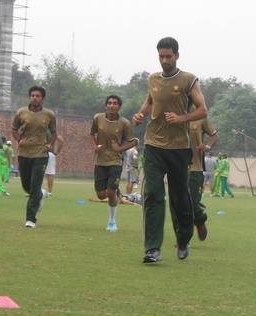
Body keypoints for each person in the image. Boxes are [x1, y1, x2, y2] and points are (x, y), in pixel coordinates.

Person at [132, 36, 208, 263]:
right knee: (152, 194)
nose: (164, 60)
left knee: (180, 198)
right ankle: (152, 249)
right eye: (161, 56)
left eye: (168, 56)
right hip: (154, 145)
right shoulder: (153, 79)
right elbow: (151, 101)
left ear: (177, 56)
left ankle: (183, 239)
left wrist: (181, 118)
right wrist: (140, 114)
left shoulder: (188, 80)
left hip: (179, 148)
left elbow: (202, 110)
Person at [12, 85, 57, 228]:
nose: (34, 98)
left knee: (35, 184)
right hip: (24, 154)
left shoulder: (49, 115)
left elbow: (54, 133)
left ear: (43, 99)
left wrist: (50, 144)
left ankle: (30, 219)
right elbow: (14, 130)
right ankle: (40, 194)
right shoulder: (21, 112)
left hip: (41, 155)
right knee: (27, 187)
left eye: (38, 96)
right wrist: (20, 140)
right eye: (32, 95)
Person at [90, 94, 136, 232]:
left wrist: (119, 149)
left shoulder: (124, 123)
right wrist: (94, 146)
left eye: (115, 103)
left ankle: (112, 222)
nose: (112, 105)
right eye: (109, 103)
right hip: (100, 161)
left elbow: (132, 142)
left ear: (119, 107)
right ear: (106, 106)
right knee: (101, 194)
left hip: (115, 161)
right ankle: (116, 192)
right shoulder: (98, 118)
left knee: (110, 192)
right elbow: (92, 134)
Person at [183, 116, 218, 240]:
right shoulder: (172, 114)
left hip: (195, 168)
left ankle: (200, 219)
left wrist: (207, 147)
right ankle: (182, 239)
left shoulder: (200, 116)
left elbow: (214, 136)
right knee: (179, 204)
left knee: (193, 202)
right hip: (178, 168)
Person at [45, 132, 64, 198]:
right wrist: (57, 151)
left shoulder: (39, 126)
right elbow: (61, 141)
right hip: (50, 153)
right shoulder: (52, 130)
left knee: (38, 172)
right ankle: (49, 192)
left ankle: (35, 191)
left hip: (40, 153)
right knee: (49, 174)